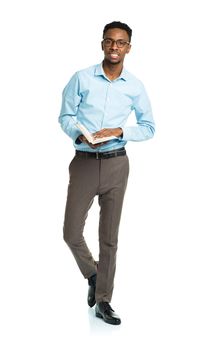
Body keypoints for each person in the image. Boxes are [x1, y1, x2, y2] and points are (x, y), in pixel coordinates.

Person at [58, 21, 155, 325]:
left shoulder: (135, 86)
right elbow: (65, 116)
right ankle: (93, 274)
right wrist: (79, 133)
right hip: (84, 161)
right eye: (110, 41)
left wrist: (119, 130)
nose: (115, 47)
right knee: (71, 232)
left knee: (109, 239)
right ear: (102, 44)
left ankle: (104, 300)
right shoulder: (81, 78)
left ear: (129, 48)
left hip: (116, 164)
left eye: (121, 42)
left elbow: (149, 127)